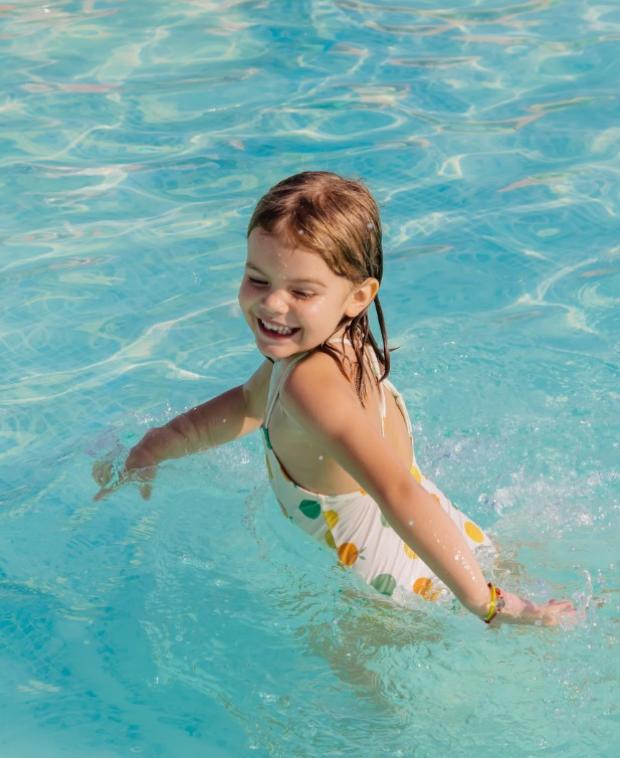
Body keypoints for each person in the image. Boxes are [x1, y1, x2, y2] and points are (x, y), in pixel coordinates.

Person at [93, 171, 576, 628]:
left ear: (358, 295)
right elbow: (246, 403)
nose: (272, 304)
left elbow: (395, 494)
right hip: (452, 540)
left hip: (380, 586)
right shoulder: (334, 346)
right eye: (257, 279)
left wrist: (489, 604)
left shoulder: (309, 385)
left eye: (302, 291)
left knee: (366, 712)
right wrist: (158, 444)